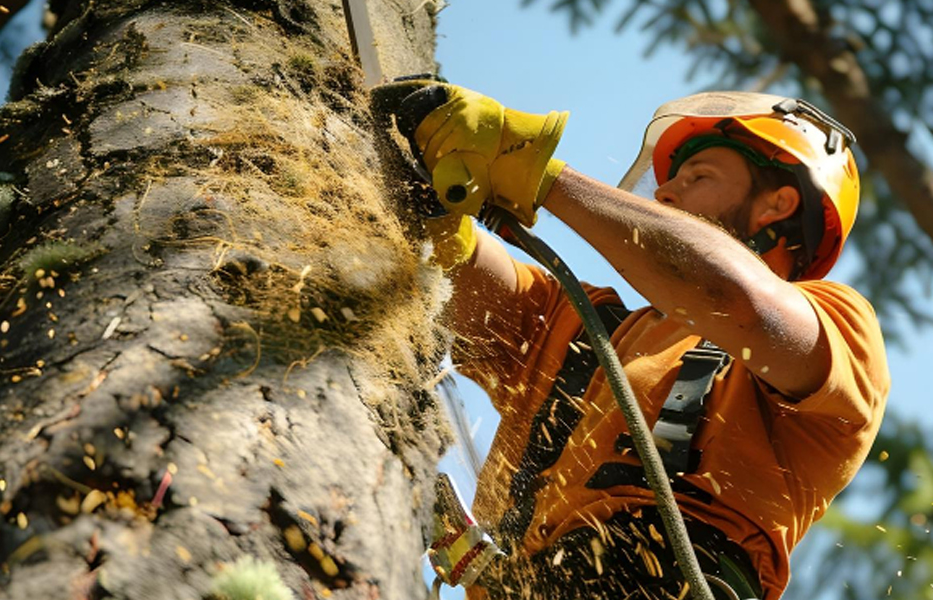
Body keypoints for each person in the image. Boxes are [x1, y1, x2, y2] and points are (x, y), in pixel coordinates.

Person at [382, 82, 891, 600]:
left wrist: (539, 173)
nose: (665, 194)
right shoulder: (594, 335)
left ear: (776, 204)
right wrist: (431, 208)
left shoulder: (840, 327)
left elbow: (741, 301)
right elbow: (460, 278)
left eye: (699, 176)